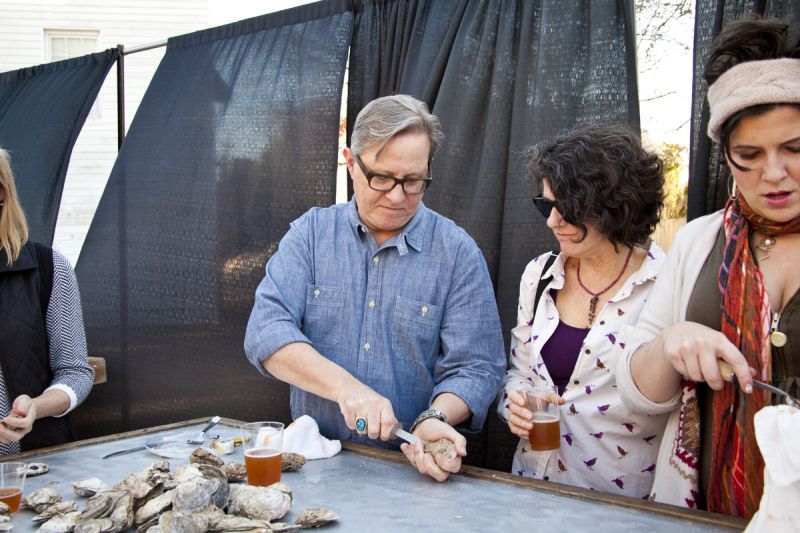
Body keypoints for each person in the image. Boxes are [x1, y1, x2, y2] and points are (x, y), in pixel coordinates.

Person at [244, 94, 505, 482]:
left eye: (413, 181)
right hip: (314, 463)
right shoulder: (311, 236)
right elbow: (266, 333)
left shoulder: (457, 253)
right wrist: (346, 389)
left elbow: (477, 368)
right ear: (351, 163)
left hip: (410, 472)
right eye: (381, 178)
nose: (398, 196)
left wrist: (434, 419)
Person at [616, 17, 800, 518]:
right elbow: (636, 393)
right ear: (725, 155)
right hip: (709, 512)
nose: (775, 173)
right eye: (749, 155)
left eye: (795, 148)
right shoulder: (699, 239)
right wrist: (671, 343)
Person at [498, 123, 668, 498]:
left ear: (615, 206)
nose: (552, 221)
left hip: (622, 504)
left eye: (568, 209)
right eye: (546, 204)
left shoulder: (665, 284)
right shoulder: (540, 274)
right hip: (532, 492)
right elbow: (519, 373)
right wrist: (514, 403)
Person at [0, 148, 94, 454]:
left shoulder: (49, 268)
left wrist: (35, 407)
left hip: (30, 468)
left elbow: (75, 372)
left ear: (1, 192)